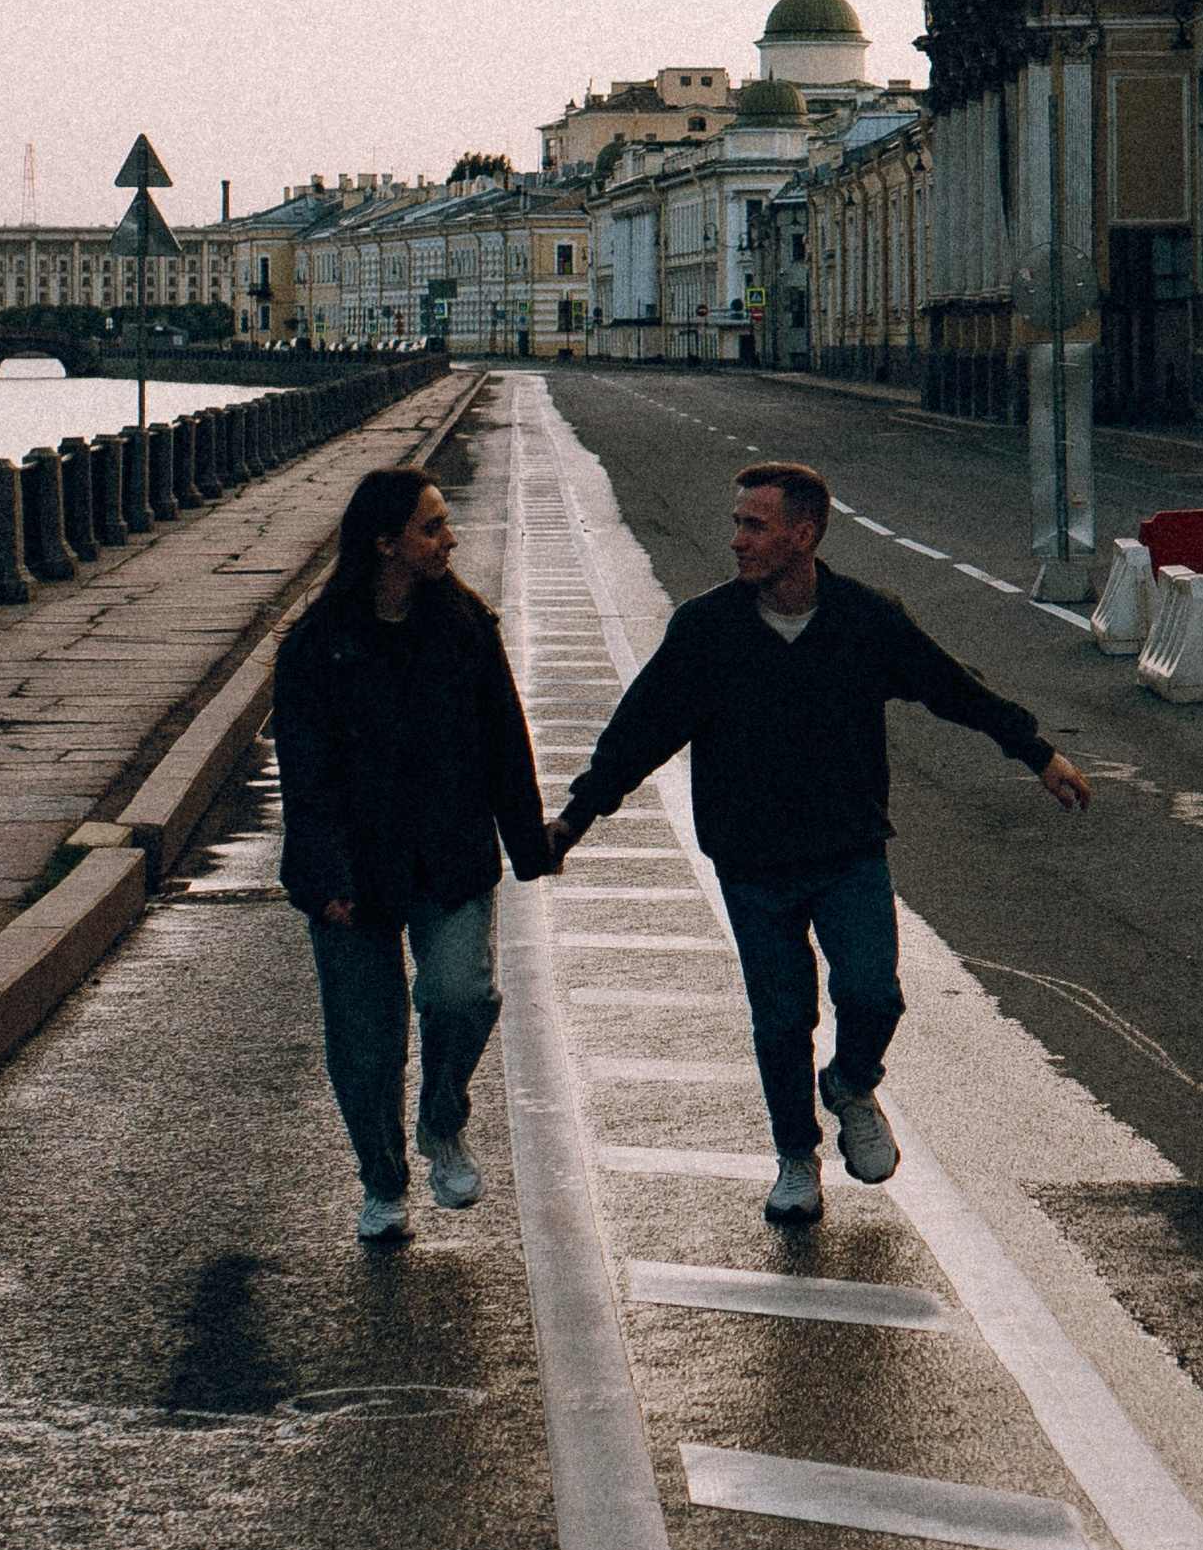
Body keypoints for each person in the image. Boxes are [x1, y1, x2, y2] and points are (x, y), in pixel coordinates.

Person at [548, 459, 1088, 1225]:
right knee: (781, 1018)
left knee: (872, 992)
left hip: (848, 850)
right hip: (753, 861)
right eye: (737, 523)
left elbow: (952, 687)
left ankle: (852, 1081)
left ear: (804, 535)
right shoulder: (707, 629)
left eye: (754, 525)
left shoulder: (866, 619)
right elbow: (639, 733)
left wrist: (1037, 753)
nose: (736, 540)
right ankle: (796, 1159)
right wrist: (576, 818)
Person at [275, 467, 560, 1243]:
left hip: (450, 857)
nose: (449, 538)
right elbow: (306, 775)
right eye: (432, 526)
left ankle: (442, 1117)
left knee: (462, 994)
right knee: (366, 1049)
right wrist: (328, 877)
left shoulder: (466, 625)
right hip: (353, 876)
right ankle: (383, 1180)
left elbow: (505, 743)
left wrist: (530, 847)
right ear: (385, 542)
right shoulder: (316, 645)